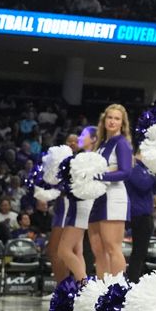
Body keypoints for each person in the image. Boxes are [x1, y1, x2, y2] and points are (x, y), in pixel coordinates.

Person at [88, 104, 133, 277]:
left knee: (112, 247)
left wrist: (98, 176)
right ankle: (101, 290)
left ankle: (117, 291)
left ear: (122, 123)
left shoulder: (122, 143)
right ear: (104, 120)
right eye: (109, 117)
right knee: (98, 249)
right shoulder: (100, 144)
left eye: (117, 118)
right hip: (97, 198)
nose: (112, 121)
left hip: (114, 198)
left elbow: (125, 172)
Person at [54, 125, 98, 287]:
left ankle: (85, 286)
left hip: (82, 204)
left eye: (83, 135)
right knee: (77, 251)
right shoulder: (83, 156)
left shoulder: (91, 158)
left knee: (63, 250)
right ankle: (82, 287)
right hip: (77, 204)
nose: (79, 138)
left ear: (93, 139)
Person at [125, 148, 156, 283]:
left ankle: (135, 279)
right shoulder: (134, 167)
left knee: (141, 251)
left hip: (144, 212)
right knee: (138, 252)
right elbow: (143, 185)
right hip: (137, 214)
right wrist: (155, 172)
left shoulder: (143, 168)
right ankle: (132, 281)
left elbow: (154, 188)